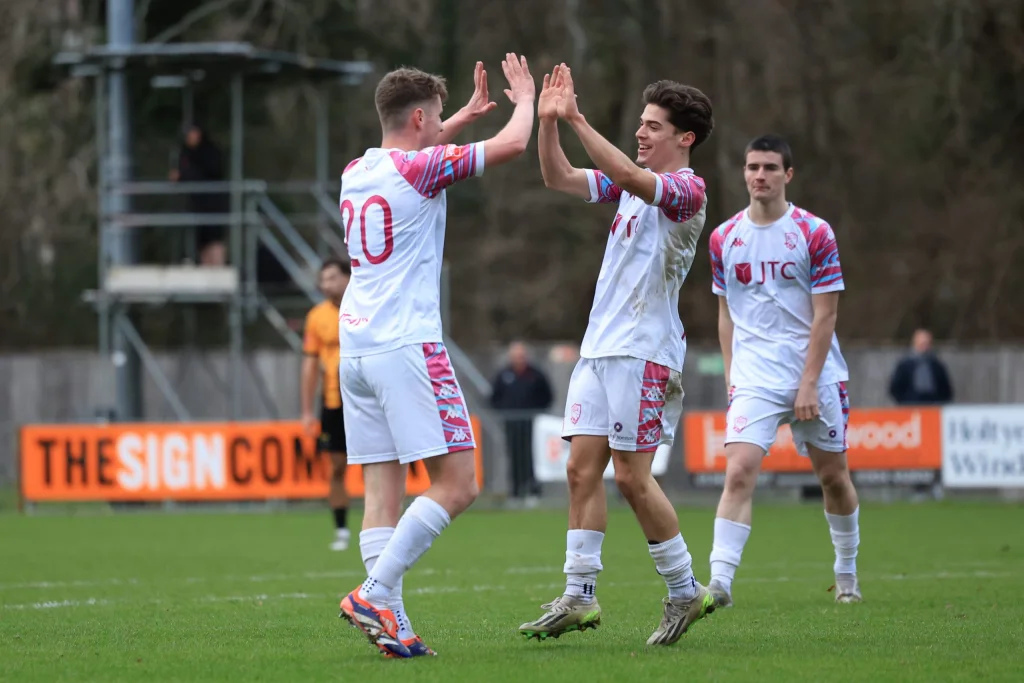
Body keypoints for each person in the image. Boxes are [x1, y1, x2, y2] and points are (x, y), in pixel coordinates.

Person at [336, 55, 537, 659]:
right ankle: (373, 594)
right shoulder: (421, 172)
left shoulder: (355, 170)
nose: (445, 124)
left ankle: (391, 623)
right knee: (458, 483)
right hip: (406, 344)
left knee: (381, 491)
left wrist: (464, 115)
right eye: (441, 117)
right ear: (421, 117)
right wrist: (524, 99)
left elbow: (416, 149)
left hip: (355, 347)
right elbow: (512, 145)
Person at [517, 64, 716, 647]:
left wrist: (577, 114)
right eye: (641, 123)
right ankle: (578, 597)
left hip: (644, 353)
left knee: (631, 477)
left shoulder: (686, 190)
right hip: (600, 349)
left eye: (654, 126)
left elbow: (629, 173)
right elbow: (558, 178)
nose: (642, 133)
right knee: (581, 471)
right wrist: (550, 123)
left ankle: (685, 590)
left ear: (686, 138)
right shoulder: (628, 186)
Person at [706, 134, 862, 608]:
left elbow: (826, 314)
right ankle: (718, 583)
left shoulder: (815, 232)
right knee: (738, 472)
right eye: (753, 167)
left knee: (833, 478)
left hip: (812, 376)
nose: (760, 176)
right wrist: (734, 379)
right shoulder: (723, 237)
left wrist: (810, 382)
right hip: (755, 377)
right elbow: (726, 315)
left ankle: (847, 573)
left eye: (771, 168)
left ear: (787, 175)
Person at [301, 258, 352, 551]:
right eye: (323, 279)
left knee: (379, 464)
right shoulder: (316, 317)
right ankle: (342, 530)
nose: (326, 284)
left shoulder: (365, 306)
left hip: (367, 398)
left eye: (332, 278)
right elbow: (309, 365)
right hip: (334, 400)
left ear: (347, 277)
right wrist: (306, 409)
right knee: (336, 468)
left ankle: (383, 528)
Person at [490, 341, 553, 504]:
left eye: (522, 356)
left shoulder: (536, 375)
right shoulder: (504, 375)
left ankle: (533, 491)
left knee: (533, 457)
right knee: (515, 457)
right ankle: (516, 493)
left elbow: (547, 396)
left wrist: (536, 412)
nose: (519, 359)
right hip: (512, 425)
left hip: (533, 425)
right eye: (516, 356)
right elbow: (494, 397)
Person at [170, 124, 228, 266]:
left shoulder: (210, 152)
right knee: (201, 242)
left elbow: (208, 174)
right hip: (198, 205)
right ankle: (207, 268)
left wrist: (182, 175)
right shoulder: (187, 153)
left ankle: (217, 269)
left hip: (214, 204)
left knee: (214, 240)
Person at [888, 329, 954, 405]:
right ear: (915, 343)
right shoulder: (904, 365)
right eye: (922, 343)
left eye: (927, 343)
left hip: (933, 406)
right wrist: (904, 401)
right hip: (911, 406)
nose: (924, 346)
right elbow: (895, 387)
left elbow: (946, 388)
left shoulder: (937, 365)